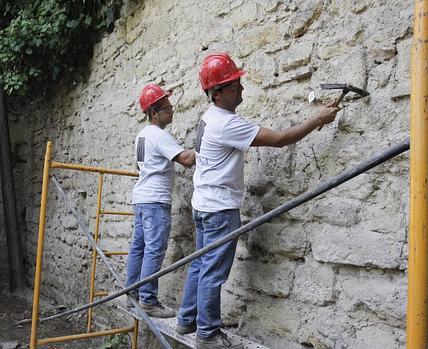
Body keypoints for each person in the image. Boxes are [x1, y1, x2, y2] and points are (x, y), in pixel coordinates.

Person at [175, 53, 340, 348]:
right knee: (213, 271)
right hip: (219, 208)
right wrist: (318, 119)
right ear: (216, 93)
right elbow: (279, 139)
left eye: (238, 82)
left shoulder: (208, 118)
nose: (241, 89)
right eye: (234, 84)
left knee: (201, 265)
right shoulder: (226, 124)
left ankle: (188, 319)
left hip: (204, 204)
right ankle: (208, 334)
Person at [125, 84, 195, 318]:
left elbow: (139, 166)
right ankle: (148, 300)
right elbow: (185, 159)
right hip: (155, 200)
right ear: (154, 113)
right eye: (167, 108)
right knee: (154, 249)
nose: (172, 111)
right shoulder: (159, 135)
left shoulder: (142, 135)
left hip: (141, 198)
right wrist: (211, 144)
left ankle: (132, 293)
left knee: (139, 247)